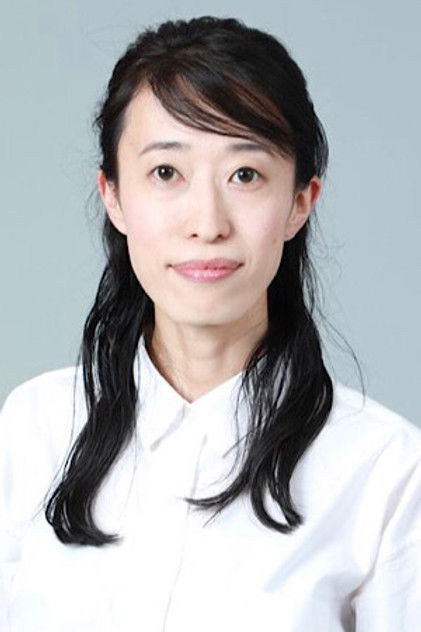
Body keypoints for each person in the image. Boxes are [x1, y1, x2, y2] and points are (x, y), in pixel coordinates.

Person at [1, 15, 420, 632]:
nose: (207, 222)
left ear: (300, 202)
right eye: (166, 173)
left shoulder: (384, 471)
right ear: (113, 195)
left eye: (245, 175)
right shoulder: (31, 430)